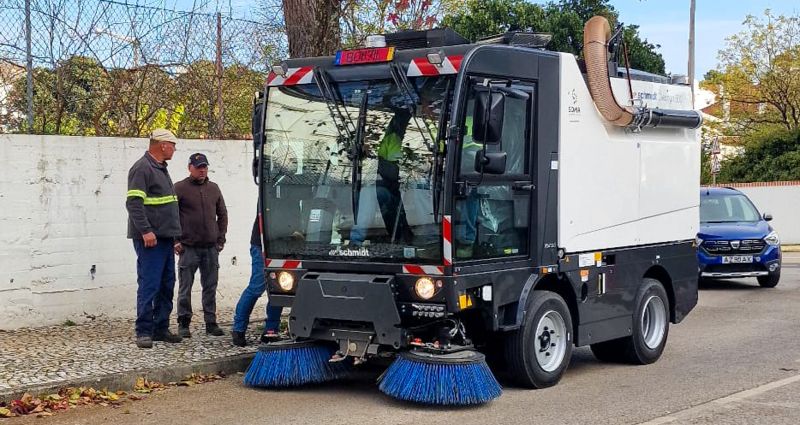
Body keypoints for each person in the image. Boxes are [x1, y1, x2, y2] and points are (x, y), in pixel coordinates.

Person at [126, 128, 183, 349]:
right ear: (162, 145)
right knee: (149, 284)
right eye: (173, 146)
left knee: (167, 284)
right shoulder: (142, 168)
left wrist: (175, 238)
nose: (174, 150)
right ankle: (143, 331)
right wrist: (145, 231)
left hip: (166, 238)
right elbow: (133, 203)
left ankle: (161, 327)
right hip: (151, 239)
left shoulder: (160, 168)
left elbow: (167, 206)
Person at [174, 153, 228, 338]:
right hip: (188, 247)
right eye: (198, 167)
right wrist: (176, 240)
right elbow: (171, 215)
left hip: (210, 247)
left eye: (204, 167)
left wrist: (220, 239)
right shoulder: (179, 188)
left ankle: (211, 323)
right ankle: (183, 323)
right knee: (185, 287)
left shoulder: (214, 188)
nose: (202, 170)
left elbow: (222, 214)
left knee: (210, 286)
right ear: (190, 167)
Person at [231, 216, 284, 347]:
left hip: (284, 243)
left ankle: (271, 331)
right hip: (262, 244)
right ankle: (238, 329)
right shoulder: (270, 196)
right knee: (256, 287)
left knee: (278, 287)